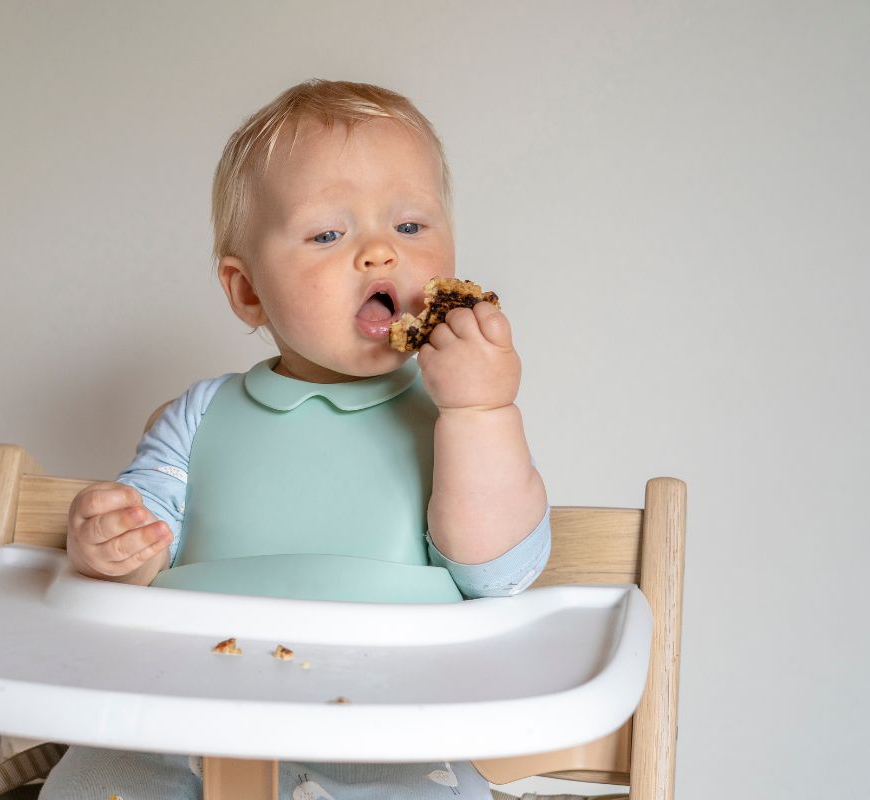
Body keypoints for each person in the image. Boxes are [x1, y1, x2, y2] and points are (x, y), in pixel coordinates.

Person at [41, 79, 551, 800]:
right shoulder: (200, 416)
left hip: (386, 736)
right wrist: (113, 544)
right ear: (248, 291)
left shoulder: (454, 418)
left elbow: (496, 573)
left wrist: (481, 411)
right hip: (185, 721)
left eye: (409, 227)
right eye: (327, 234)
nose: (379, 253)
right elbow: (143, 547)